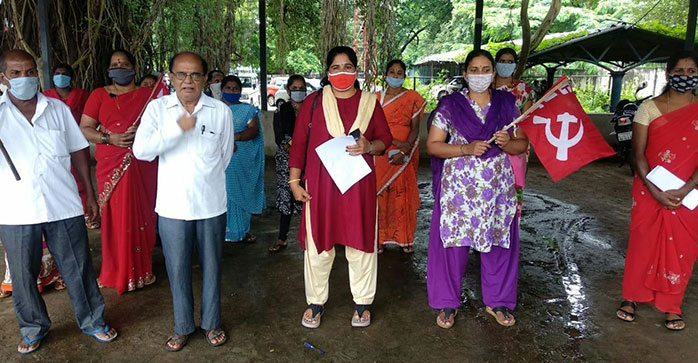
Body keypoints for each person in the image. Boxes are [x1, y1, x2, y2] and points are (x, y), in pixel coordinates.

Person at [0, 49, 117, 355]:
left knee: (77, 266)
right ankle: (33, 328)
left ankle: (93, 320)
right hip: (16, 209)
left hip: (62, 203)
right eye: (15, 73)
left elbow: (79, 151)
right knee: (23, 275)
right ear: (3, 78)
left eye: (29, 72)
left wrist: (89, 194)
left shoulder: (57, 109)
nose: (24, 78)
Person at [133, 51, 234, 351]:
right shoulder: (158, 109)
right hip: (172, 205)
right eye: (181, 74)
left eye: (194, 75)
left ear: (205, 78)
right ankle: (182, 326)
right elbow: (142, 151)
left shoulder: (219, 111)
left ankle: (212, 322)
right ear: (171, 77)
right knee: (176, 268)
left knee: (212, 266)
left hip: (211, 203)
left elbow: (224, 156)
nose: (187, 81)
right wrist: (178, 127)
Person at [289, 46, 392, 329]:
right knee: (318, 245)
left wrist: (369, 146)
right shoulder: (313, 103)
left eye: (348, 67)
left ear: (356, 71)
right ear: (327, 72)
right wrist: (294, 182)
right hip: (320, 188)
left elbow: (385, 140)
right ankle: (315, 301)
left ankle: (362, 303)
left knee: (361, 244)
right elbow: (299, 146)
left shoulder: (370, 102)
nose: (342, 72)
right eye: (336, 67)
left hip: (358, 185)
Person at [425, 49, 528, 329]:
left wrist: (507, 143)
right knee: (453, 243)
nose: (480, 75)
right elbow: (433, 145)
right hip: (459, 189)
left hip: (496, 188)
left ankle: (498, 301)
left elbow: (523, 144)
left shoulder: (508, 105)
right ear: (465, 73)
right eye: (474, 69)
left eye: (485, 69)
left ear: (493, 74)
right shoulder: (449, 106)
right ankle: (447, 302)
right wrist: (465, 148)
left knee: (498, 242)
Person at [616, 50, 698, 331]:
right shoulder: (648, 108)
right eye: (679, 71)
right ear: (668, 74)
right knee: (643, 242)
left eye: (691, 72)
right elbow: (638, 155)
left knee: (682, 248)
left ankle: (671, 306)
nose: (685, 77)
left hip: (689, 194)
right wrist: (654, 190)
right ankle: (631, 298)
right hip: (649, 189)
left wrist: (687, 188)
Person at [80, 49, 158, 294]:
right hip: (111, 164)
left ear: (134, 68)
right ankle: (114, 271)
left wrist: (144, 135)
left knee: (143, 216)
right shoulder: (98, 95)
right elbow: (85, 128)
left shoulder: (149, 96)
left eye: (124, 63)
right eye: (115, 63)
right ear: (108, 70)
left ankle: (142, 271)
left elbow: (165, 125)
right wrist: (109, 137)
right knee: (115, 219)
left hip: (143, 165)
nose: (120, 66)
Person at [375, 59, 425, 254]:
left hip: (404, 154)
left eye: (399, 73)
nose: (395, 76)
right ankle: (379, 238)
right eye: (392, 72)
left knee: (401, 195)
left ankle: (404, 238)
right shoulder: (376, 99)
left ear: (404, 76)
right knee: (380, 195)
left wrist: (404, 150)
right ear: (385, 75)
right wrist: (394, 143)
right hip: (381, 152)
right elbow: (373, 129)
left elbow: (414, 129)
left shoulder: (412, 97)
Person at [43, 63, 96, 229]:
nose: (60, 76)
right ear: (52, 76)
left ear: (71, 77)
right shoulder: (46, 96)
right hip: (55, 143)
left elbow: (90, 116)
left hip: (78, 142)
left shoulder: (82, 95)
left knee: (82, 176)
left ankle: (87, 213)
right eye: (57, 73)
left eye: (64, 73)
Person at [220, 75, 265, 243]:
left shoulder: (248, 110)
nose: (232, 92)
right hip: (221, 160)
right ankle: (223, 231)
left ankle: (242, 231)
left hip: (241, 159)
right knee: (225, 193)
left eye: (235, 89)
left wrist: (234, 137)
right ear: (222, 90)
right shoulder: (214, 109)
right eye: (228, 88)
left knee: (240, 193)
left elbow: (253, 131)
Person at [493, 47, 536, 216]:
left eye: (510, 62)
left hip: (515, 143)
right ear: (496, 64)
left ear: (515, 65)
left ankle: (511, 228)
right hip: (489, 141)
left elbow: (528, 119)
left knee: (512, 186)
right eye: (502, 61)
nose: (506, 65)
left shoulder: (523, 90)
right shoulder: (486, 86)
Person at [270, 75, 307, 252]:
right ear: (288, 90)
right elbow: (279, 137)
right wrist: (291, 148)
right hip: (287, 161)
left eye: (301, 88)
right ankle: (282, 238)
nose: (298, 92)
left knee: (308, 198)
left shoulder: (312, 108)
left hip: (309, 160)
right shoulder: (282, 110)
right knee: (287, 196)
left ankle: (310, 239)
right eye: (295, 88)